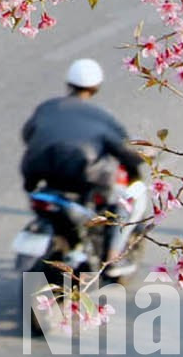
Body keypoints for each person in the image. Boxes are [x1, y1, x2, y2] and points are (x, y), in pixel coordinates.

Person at [21, 59, 146, 272]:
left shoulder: (47, 107)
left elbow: (28, 134)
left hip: (42, 175)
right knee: (125, 201)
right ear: (96, 86)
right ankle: (113, 257)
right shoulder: (102, 116)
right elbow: (123, 148)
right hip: (86, 179)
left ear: (69, 82)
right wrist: (139, 157)